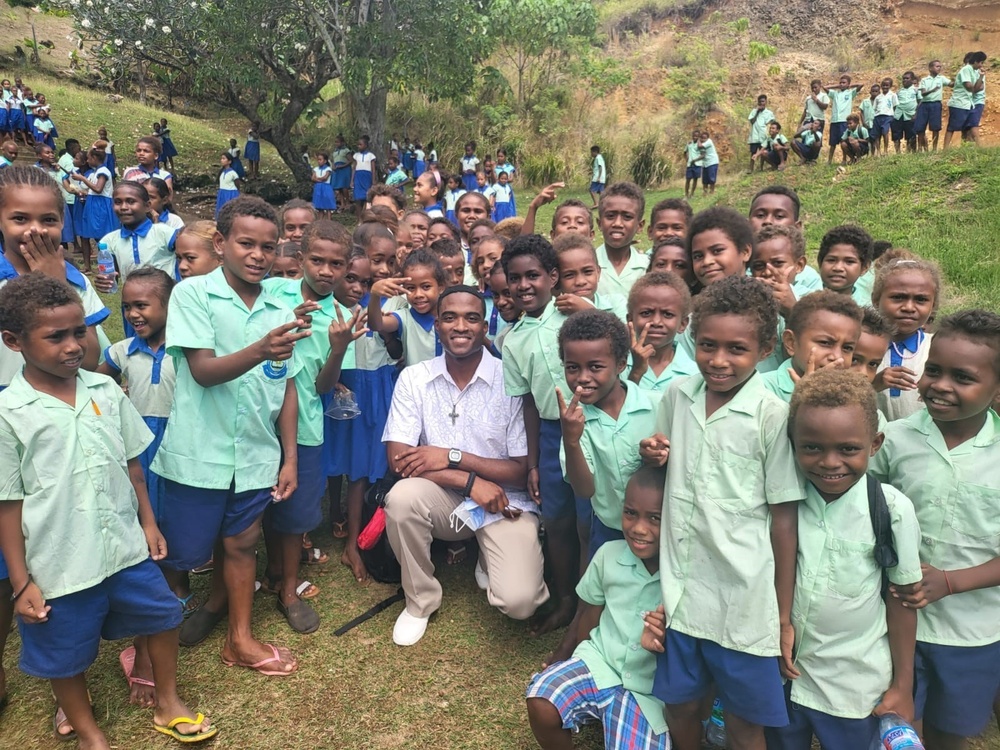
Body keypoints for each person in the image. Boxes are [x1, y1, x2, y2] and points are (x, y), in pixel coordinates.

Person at [0, 273, 217, 747]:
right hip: (59, 562)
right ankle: (89, 732)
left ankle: (168, 701)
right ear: (13, 341)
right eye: (55, 336)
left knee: (163, 614)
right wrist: (21, 583)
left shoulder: (105, 391)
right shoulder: (8, 413)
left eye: (80, 330)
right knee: (65, 652)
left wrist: (149, 522)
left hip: (124, 547)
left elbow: (133, 464)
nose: (73, 345)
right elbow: (8, 505)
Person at [639, 275, 805, 750]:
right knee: (682, 705)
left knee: (744, 721)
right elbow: (664, 457)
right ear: (692, 335)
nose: (718, 360)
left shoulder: (771, 415)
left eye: (737, 349)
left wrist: (783, 614)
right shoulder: (678, 397)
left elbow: (784, 518)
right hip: (683, 590)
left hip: (744, 601)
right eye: (708, 345)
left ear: (766, 347)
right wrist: (654, 453)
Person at [151, 196, 306, 676]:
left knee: (242, 543)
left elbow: (288, 387)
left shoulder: (282, 302)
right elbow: (202, 372)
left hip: (257, 454)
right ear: (220, 244)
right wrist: (261, 348)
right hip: (199, 454)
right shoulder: (193, 295)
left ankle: (239, 638)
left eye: (267, 245)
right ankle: (154, 638)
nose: (258, 255)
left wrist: (289, 458)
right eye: (246, 244)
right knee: (179, 553)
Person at [765, 368, 921, 750]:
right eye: (812, 447)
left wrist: (902, 685)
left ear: (875, 443)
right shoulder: (782, 504)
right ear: (792, 442)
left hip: (854, 682)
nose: (829, 462)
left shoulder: (891, 509)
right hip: (785, 674)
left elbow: (902, 600)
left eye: (848, 449)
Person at [383, 285, 548, 646]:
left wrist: (452, 456)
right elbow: (399, 459)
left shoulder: (511, 380)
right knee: (401, 497)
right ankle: (420, 601)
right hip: (443, 496)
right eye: (450, 317)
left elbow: (521, 470)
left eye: (472, 318)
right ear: (437, 327)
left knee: (519, 603)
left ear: (484, 327)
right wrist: (470, 481)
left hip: (505, 501)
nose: (461, 326)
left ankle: (490, 556)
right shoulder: (414, 378)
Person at [870, 309, 1000, 750]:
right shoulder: (895, 438)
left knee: (950, 732)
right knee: (897, 726)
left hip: (972, 633)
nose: (941, 385)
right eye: (935, 370)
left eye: (963, 377)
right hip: (891, 622)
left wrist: (951, 581)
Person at [262, 220, 362, 633]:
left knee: (295, 513)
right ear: (301, 259)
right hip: (256, 418)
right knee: (259, 504)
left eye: (336, 264)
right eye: (317, 261)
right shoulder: (271, 293)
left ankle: (287, 589)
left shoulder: (342, 318)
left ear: (345, 268)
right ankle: (266, 572)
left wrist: (338, 350)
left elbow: (323, 387)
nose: (325, 271)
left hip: (304, 426)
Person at [526, 466, 670, 750]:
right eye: (630, 513)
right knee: (541, 701)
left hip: (647, 693)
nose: (639, 528)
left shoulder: (680, 577)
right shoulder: (608, 556)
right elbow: (588, 618)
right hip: (598, 664)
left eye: (655, 518)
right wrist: (572, 665)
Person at [501, 235, 581, 638]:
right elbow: (529, 404)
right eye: (514, 278)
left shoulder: (574, 317)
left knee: (594, 517)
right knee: (559, 518)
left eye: (533, 275)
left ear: (552, 277)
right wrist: (533, 463)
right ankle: (566, 599)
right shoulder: (512, 340)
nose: (524, 285)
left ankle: (594, 604)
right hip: (551, 436)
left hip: (594, 424)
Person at [325, 224, 400, 583]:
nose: (383, 270)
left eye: (389, 262)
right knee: (343, 460)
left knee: (365, 463)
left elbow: (396, 348)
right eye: (376, 261)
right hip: (348, 385)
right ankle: (341, 531)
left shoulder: (391, 301)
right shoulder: (333, 306)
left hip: (378, 384)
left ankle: (360, 536)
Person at [872, 252, 940, 421]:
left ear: (933, 306)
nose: (909, 307)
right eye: (898, 297)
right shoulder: (859, 347)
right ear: (876, 300)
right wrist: (875, 384)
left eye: (921, 299)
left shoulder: (938, 348)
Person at [761, 291, 862, 403]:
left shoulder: (856, 398)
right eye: (825, 343)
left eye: (847, 348)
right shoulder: (761, 390)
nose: (838, 357)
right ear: (791, 343)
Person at [626, 271, 696, 396]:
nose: (656, 322)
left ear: (683, 324)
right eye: (646, 313)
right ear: (630, 319)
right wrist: (635, 372)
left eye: (667, 314)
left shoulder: (695, 373)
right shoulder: (616, 367)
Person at [595, 182, 646, 298]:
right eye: (610, 216)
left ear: (640, 226)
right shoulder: (586, 266)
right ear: (599, 223)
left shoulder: (648, 267)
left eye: (627, 217)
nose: (617, 223)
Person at [73, 146, 119, 271]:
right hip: (93, 203)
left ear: (94, 158)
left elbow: (98, 189)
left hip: (100, 206)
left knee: (102, 236)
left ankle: (111, 267)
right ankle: (89, 266)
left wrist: (82, 178)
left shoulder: (103, 171)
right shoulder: (95, 172)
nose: (87, 161)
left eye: (88, 158)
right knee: (87, 234)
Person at [818, 224, 875, 306]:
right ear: (820, 262)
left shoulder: (866, 309)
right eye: (831, 260)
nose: (838, 268)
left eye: (849, 261)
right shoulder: (802, 300)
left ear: (864, 267)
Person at [945, 51, 986, 150]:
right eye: (981, 62)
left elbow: (977, 87)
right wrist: (975, 87)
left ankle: (972, 148)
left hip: (968, 103)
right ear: (976, 61)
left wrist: (981, 76)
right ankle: (945, 150)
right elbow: (970, 87)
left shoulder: (973, 71)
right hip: (959, 102)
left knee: (970, 125)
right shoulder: (966, 69)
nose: (981, 65)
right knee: (952, 127)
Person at [823, 75, 865, 164]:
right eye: (840, 82)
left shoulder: (850, 93)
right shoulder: (835, 93)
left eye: (844, 83)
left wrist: (850, 86)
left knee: (844, 140)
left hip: (844, 121)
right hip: (834, 120)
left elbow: (861, 84)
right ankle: (829, 160)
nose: (841, 84)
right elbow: (825, 87)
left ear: (848, 84)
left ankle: (844, 159)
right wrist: (836, 86)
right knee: (833, 143)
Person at [916, 60, 951, 151]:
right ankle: (920, 148)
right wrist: (933, 89)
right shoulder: (924, 80)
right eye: (937, 66)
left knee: (935, 127)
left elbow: (951, 84)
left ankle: (934, 149)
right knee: (920, 127)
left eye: (940, 66)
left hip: (936, 104)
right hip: (925, 104)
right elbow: (923, 93)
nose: (939, 68)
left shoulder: (941, 78)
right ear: (930, 68)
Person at [892, 71, 920, 153]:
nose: (905, 80)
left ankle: (912, 153)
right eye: (903, 78)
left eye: (907, 78)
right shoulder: (899, 91)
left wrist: (916, 114)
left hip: (910, 116)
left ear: (912, 80)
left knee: (911, 135)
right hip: (898, 116)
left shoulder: (916, 90)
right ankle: (898, 153)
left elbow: (920, 102)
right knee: (896, 136)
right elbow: (894, 104)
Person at [351, 135, 377, 220]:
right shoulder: (356, 155)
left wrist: (373, 181)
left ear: (366, 145)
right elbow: (354, 168)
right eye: (358, 144)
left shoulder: (371, 156)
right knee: (358, 199)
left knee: (367, 198)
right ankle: (359, 219)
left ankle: (366, 217)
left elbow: (373, 169)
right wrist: (352, 180)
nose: (359, 146)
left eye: (360, 144)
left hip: (367, 177)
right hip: (358, 177)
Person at [747, 94, 775, 172]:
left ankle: (761, 168)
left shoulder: (768, 113)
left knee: (762, 151)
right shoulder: (754, 111)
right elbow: (752, 121)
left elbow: (772, 121)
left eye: (763, 101)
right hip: (754, 135)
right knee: (753, 152)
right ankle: (751, 169)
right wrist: (756, 112)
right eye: (760, 102)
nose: (761, 103)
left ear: (766, 102)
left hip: (763, 135)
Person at [215, 152, 242, 220]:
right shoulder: (222, 172)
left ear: (229, 161)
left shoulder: (233, 173)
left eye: (224, 159)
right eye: (221, 158)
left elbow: (237, 184)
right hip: (222, 193)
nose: (222, 160)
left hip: (230, 193)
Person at [310, 152, 336, 219]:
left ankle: (329, 221)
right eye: (318, 160)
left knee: (328, 205)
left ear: (325, 161)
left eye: (320, 160)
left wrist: (317, 179)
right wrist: (319, 180)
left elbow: (325, 178)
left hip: (326, 187)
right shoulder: (316, 169)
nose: (319, 161)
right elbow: (312, 178)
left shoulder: (328, 169)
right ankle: (320, 221)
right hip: (318, 188)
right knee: (319, 206)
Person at [697, 130, 720, 195]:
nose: (703, 139)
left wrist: (698, 139)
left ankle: (712, 191)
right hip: (705, 163)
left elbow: (699, 146)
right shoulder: (702, 143)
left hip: (712, 162)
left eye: (705, 138)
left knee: (711, 178)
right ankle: (705, 192)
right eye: (702, 138)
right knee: (705, 179)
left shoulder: (709, 142)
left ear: (707, 138)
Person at [683, 130, 702, 197]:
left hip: (698, 164)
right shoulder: (689, 144)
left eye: (696, 136)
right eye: (693, 136)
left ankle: (692, 193)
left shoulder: (700, 144)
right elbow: (684, 152)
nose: (695, 137)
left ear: (699, 137)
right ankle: (686, 194)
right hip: (690, 164)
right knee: (688, 179)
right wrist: (687, 159)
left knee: (695, 179)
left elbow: (703, 154)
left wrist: (696, 160)